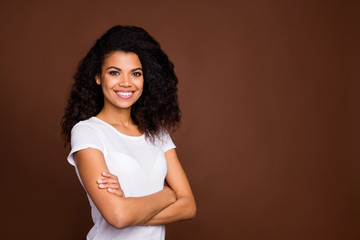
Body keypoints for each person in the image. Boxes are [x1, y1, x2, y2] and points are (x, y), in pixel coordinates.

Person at [61, 25, 196, 240]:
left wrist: (130, 210)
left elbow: (188, 206)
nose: (126, 82)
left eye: (136, 73)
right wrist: (168, 194)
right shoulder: (87, 132)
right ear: (98, 77)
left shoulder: (157, 133)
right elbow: (118, 216)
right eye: (114, 72)